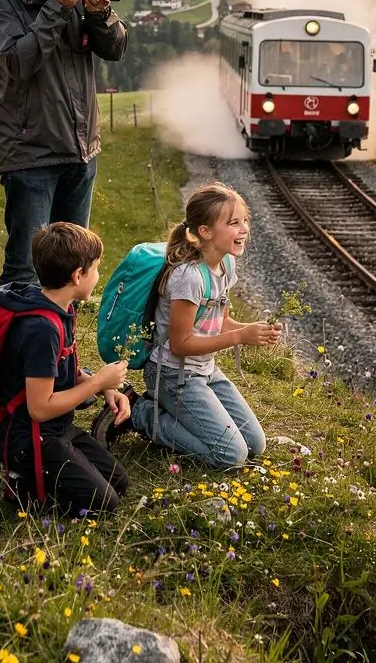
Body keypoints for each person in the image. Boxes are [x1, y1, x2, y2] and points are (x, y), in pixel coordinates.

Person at [0, 222, 131, 516]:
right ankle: (0, 471)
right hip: (29, 437)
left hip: (56, 428)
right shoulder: (42, 330)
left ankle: (21, 471)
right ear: (77, 275)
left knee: (118, 482)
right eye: (96, 268)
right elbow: (40, 408)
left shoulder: (60, 307)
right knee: (102, 504)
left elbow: (62, 371)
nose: (98, 275)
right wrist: (96, 384)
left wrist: (105, 387)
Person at [0, 0, 127, 285]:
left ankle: (62, 324)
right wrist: (57, 8)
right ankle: (19, 322)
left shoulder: (73, 1)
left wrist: (100, 14)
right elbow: (18, 62)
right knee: (26, 266)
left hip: (80, 150)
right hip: (31, 153)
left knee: (74, 265)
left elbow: (115, 49)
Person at [92, 183, 279, 468]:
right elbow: (180, 345)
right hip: (171, 374)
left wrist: (253, 330)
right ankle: (139, 413)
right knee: (231, 455)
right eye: (233, 223)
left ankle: (173, 414)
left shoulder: (226, 264)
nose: (244, 229)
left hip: (205, 370)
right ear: (205, 231)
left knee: (255, 444)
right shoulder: (188, 278)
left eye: (245, 220)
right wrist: (241, 336)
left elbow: (220, 323)